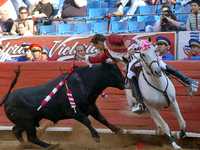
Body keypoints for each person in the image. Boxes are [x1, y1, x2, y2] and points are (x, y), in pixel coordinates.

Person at [128, 37, 199, 113]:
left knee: (166, 67)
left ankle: (189, 81)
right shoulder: (144, 48)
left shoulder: (150, 47)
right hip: (145, 62)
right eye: (158, 44)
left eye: (161, 44)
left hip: (154, 61)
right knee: (130, 74)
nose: (159, 46)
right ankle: (140, 102)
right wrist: (132, 50)